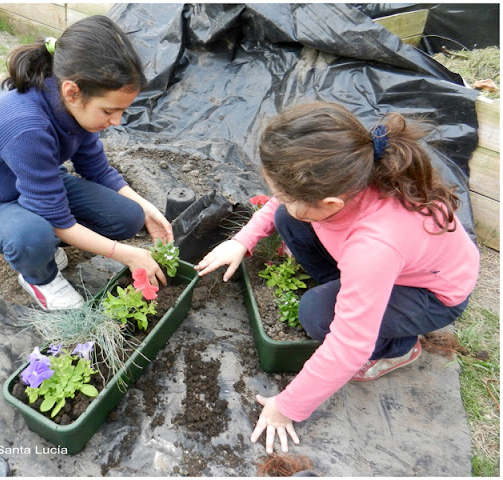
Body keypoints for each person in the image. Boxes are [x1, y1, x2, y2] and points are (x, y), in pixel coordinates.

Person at [195, 101, 479, 454]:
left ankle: (399, 348)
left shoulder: (374, 246)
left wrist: (286, 407)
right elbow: (281, 204)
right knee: (288, 218)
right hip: (387, 267)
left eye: (284, 193)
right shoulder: (349, 174)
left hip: (432, 295)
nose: (276, 198)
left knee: (315, 313)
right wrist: (243, 240)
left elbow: (349, 344)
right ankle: (348, 291)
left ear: (330, 204)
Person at [0, 16, 173, 310]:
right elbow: (57, 218)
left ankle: (43, 243)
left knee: (129, 217)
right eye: (109, 110)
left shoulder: (74, 107)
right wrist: (127, 255)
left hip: (41, 185)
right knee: (33, 236)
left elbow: (96, 168)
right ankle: (38, 276)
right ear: (72, 91)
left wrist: (147, 208)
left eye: (122, 111)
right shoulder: (26, 127)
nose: (116, 121)